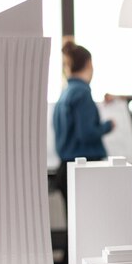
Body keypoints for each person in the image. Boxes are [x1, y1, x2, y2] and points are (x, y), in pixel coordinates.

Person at [53, 40, 114, 204]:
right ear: (89, 63)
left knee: (75, 227)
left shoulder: (66, 93)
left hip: (66, 168)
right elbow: (87, 134)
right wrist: (108, 125)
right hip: (84, 170)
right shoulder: (82, 93)